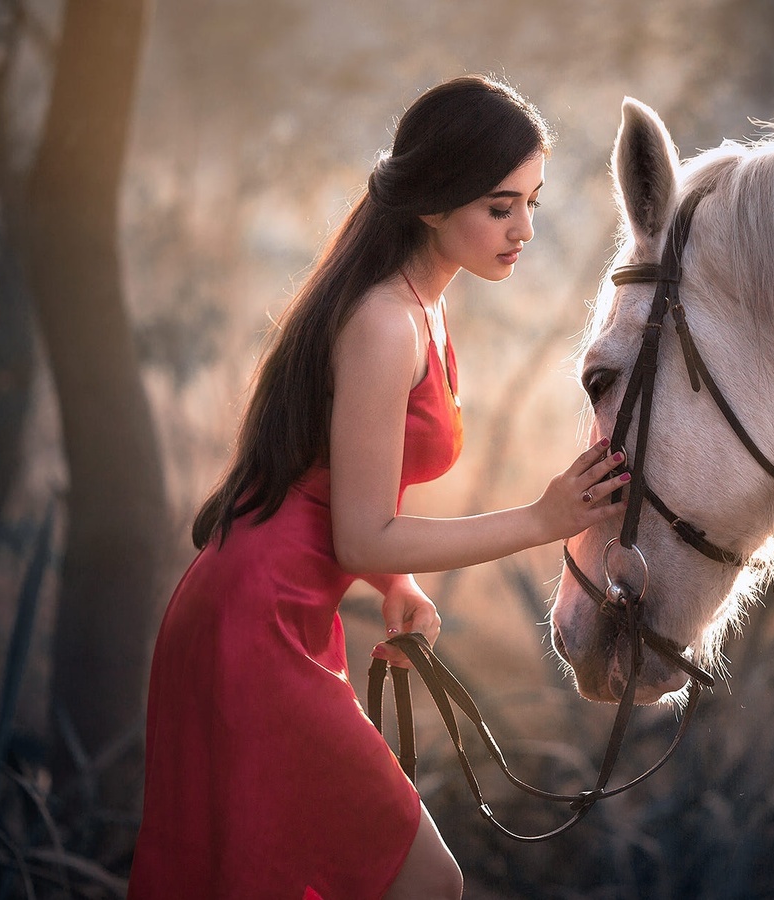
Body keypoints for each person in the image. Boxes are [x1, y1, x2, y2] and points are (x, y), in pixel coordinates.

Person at [127, 75, 628, 900]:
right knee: (426, 882)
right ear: (433, 203)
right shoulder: (384, 323)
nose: (524, 230)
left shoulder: (421, 306)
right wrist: (544, 518)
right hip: (253, 623)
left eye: (532, 203)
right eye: (501, 207)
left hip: (281, 609)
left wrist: (394, 581)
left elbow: (339, 490)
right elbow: (359, 533)